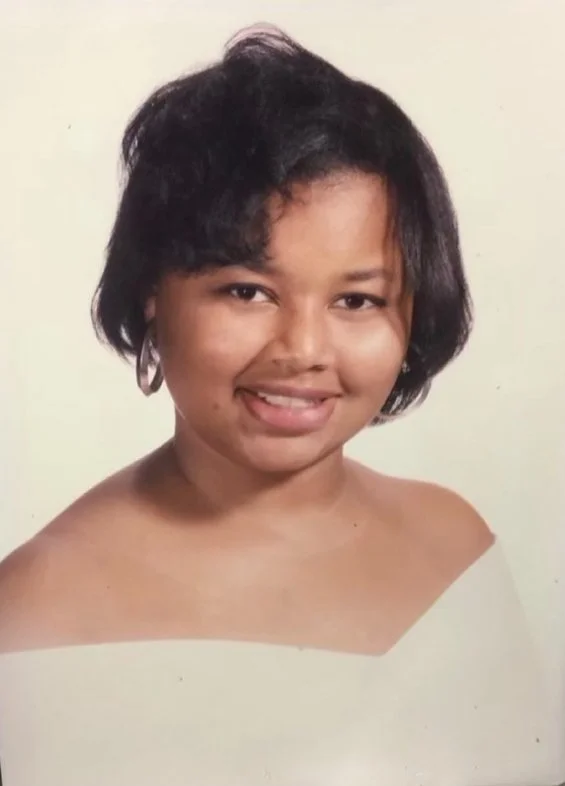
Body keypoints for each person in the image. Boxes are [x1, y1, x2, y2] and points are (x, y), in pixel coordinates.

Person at [0, 24, 556, 786]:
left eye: (357, 299)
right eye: (246, 291)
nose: (303, 348)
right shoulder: (31, 616)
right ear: (153, 293)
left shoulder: (454, 540)